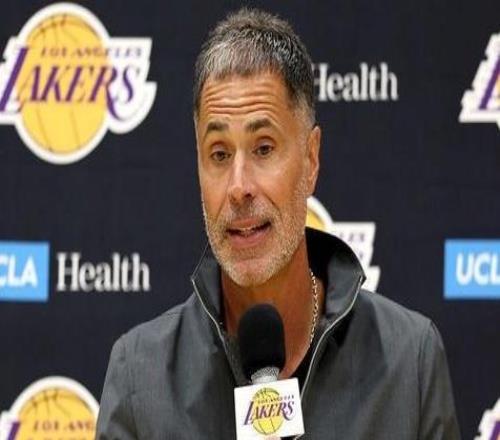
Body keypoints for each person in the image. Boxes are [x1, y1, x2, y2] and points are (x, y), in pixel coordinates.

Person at [96, 8, 461, 439]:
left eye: (264, 148)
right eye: (219, 154)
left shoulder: (409, 362)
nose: (239, 187)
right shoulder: (140, 376)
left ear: (311, 159)